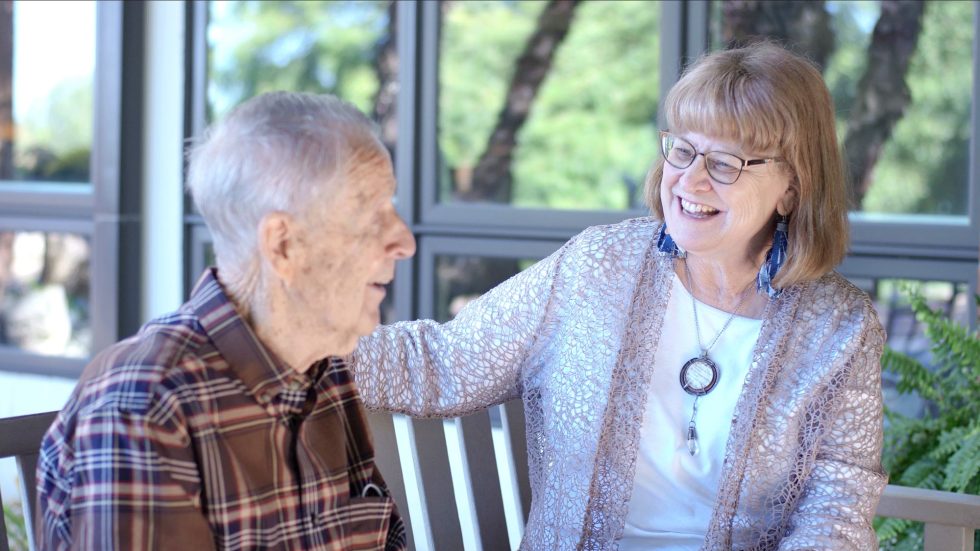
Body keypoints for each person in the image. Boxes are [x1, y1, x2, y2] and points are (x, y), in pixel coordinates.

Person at [351, 42, 887, 550]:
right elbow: (442, 363)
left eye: (725, 163)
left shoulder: (840, 329)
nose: (690, 182)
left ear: (792, 187)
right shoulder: (598, 266)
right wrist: (288, 343)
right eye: (683, 150)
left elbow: (835, 512)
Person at [36, 92, 416, 550]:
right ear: (283, 246)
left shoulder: (325, 371)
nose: (405, 241)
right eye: (371, 214)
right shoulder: (144, 405)